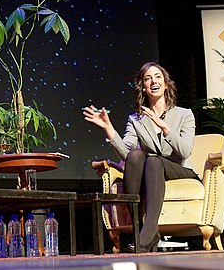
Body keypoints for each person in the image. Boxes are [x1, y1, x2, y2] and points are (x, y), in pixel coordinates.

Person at [83, 62, 198, 253]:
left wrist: (164, 126)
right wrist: (108, 128)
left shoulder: (184, 115)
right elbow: (127, 154)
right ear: (143, 87)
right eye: (148, 78)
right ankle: (141, 229)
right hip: (152, 170)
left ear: (166, 83)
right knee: (138, 156)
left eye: (158, 77)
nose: (153, 81)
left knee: (154, 160)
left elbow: (185, 151)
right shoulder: (135, 119)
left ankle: (149, 231)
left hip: (179, 168)